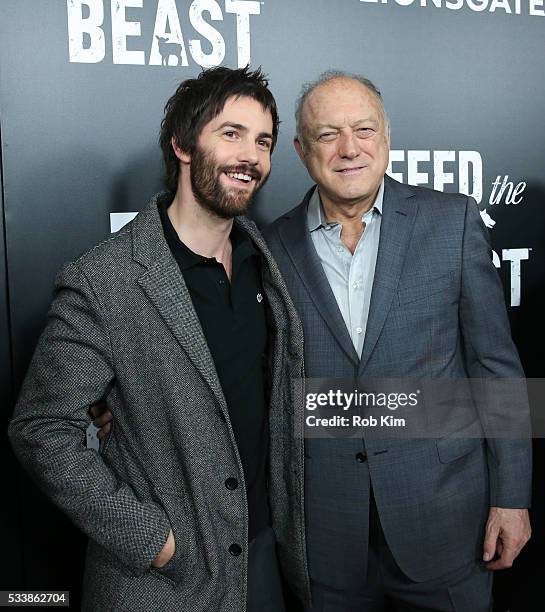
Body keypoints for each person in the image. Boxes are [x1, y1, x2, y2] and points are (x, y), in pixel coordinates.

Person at [8, 66, 310, 612]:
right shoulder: (105, 278)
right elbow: (40, 429)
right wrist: (155, 543)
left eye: (262, 141)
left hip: (264, 563)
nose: (251, 156)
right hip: (162, 585)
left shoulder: (264, 263)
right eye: (231, 133)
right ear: (182, 144)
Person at [262, 71, 532, 611]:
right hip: (327, 535)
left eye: (364, 129)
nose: (349, 149)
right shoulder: (269, 247)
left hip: (448, 524)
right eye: (327, 134)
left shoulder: (450, 223)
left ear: (386, 136)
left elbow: (495, 368)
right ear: (299, 148)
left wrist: (512, 498)